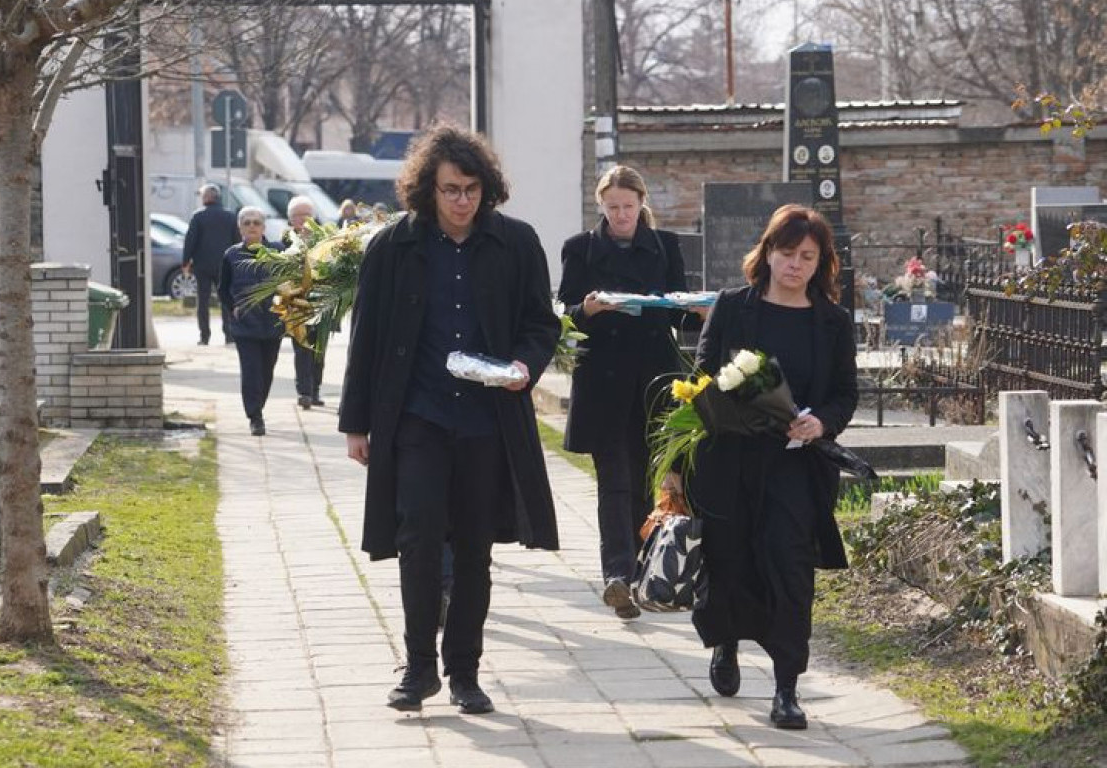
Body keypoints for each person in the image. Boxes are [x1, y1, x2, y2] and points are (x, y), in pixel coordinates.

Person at [339, 124, 561, 715]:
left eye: (472, 189)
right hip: (417, 417)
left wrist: (524, 364)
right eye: (450, 190)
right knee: (415, 538)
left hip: (488, 420)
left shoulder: (516, 243)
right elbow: (367, 339)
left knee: (472, 547)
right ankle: (418, 669)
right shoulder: (393, 247)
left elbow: (543, 324)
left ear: (487, 188)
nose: (462, 201)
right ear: (426, 191)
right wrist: (356, 423)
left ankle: (464, 671)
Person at [685, 204, 857, 730]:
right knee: (732, 559)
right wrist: (734, 404)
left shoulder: (832, 321)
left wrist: (820, 424)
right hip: (731, 460)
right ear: (768, 253)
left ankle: (786, 687)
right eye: (787, 253)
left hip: (796, 467)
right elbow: (702, 376)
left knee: (789, 568)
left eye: (808, 256)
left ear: (821, 261)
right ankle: (727, 643)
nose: (796, 265)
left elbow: (845, 395)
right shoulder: (735, 307)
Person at [557, 165, 700, 620]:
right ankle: (617, 574)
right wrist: (589, 309)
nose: (621, 215)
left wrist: (694, 310)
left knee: (644, 479)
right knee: (613, 479)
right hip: (603, 379)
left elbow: (677, 310)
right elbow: (565, 313)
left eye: (628, 206)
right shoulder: (579, 249)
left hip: (654, 378)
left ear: (642, 204)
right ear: (601, 205)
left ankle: (639, 576)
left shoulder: (665, 246)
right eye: (613, 207)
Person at [219, 207, 284, 436]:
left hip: (273, 323)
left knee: (267, 372)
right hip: (245, 326)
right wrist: (233, 308)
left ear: (264, 227)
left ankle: (259, 407)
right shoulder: (231, 255)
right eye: (247, 223)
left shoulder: (277, 251)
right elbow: (223, 289)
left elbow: (291, 282)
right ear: (240, 228)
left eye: (256, 222)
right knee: (251, 372)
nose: (252, 226)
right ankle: (255, 417)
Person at [182, 184, 240, 346]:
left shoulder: (198, 216)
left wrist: (186, 262)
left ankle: (204, 336)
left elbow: (190, 240)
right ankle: (229, 335)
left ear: (207, 198)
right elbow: (237, 240)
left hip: (203, 265)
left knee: (203, 301)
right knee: (226, 299)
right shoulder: (230, 216)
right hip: (225, 265)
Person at [284, 195, 326, 409]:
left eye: (306, 215)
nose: (302, 220)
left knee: (319, 349)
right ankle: (304, 392)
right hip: (296, 303)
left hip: (322, 302)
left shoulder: (325, 239)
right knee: (302, 349)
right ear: (290, 219)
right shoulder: (284, 241)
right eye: (297, 216)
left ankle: (316, 389)